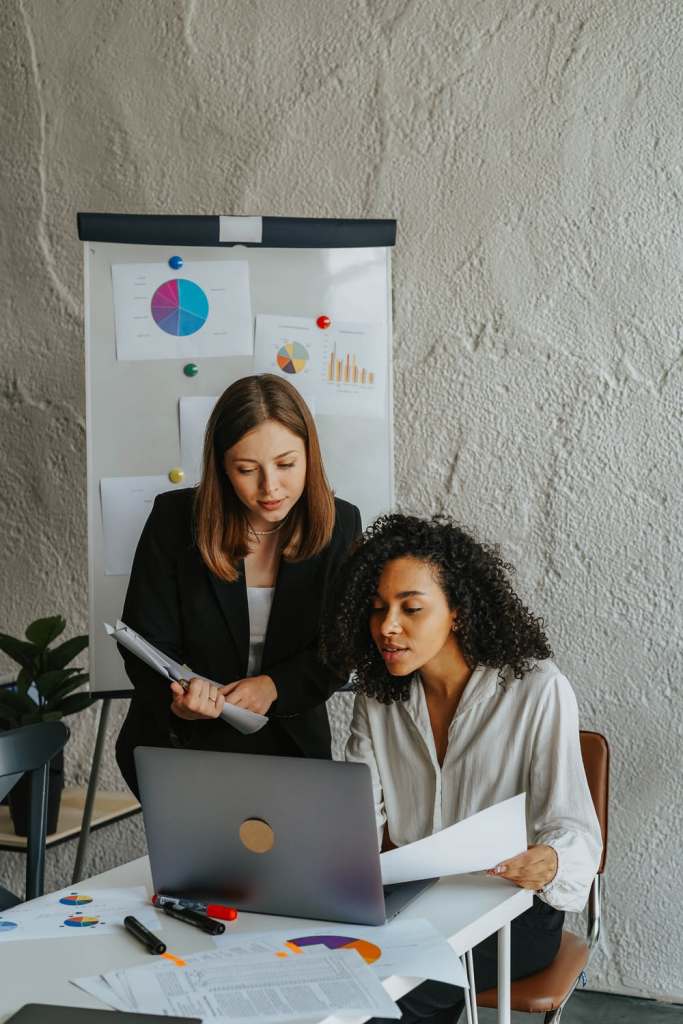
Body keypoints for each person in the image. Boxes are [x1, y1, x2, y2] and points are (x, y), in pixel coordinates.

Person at [321, 513, 602, 1023]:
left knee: (383, 993)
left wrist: (551, 861)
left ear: (457, 613)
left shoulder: (536, 689)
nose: (387, 626)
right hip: (416, 901)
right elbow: (358, 823)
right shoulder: (378, 697)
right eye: (378, 608)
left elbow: (575, 829)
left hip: (510, 910)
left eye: (411, 608)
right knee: (328, 970)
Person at [116, 374, 361, 796]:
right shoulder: (175, 520)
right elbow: (143, 639)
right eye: (247, 470)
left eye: (286, 464)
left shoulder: (341, 525)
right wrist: (181, 700)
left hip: (291, 748)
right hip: (183, 748)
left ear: (310, 455)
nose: (270, 488)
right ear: (222, 467)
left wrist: (275, 686)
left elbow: (340, 646)